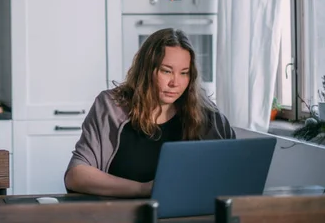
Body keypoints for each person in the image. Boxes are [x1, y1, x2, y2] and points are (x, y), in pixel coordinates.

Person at [64, 28, 235, 198]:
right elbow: (75, 175)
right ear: (146, 70)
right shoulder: (111, 106)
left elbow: (234, 170)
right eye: (166, 71)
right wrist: (143, 189)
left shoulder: (206, 114)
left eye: (184, 73)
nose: (175, 82)